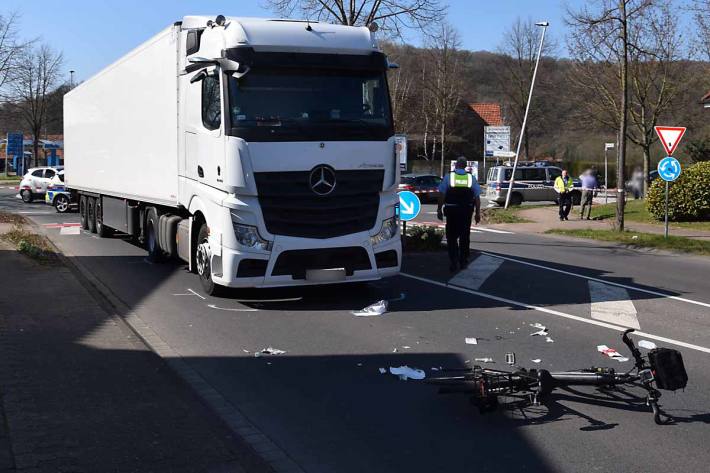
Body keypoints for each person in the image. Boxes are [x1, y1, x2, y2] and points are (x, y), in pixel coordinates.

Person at [437, 157, 481, 272]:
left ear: (456, 165)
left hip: (451, 211)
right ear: (465, 166)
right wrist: (477, 213)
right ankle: (463, 261)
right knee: (464, 236)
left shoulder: (448, 177)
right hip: (466, 211)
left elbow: (441, 194)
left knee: (451, 237)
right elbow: (477, 197)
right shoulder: (471, 178)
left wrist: (439, 210)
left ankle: (453, 261)